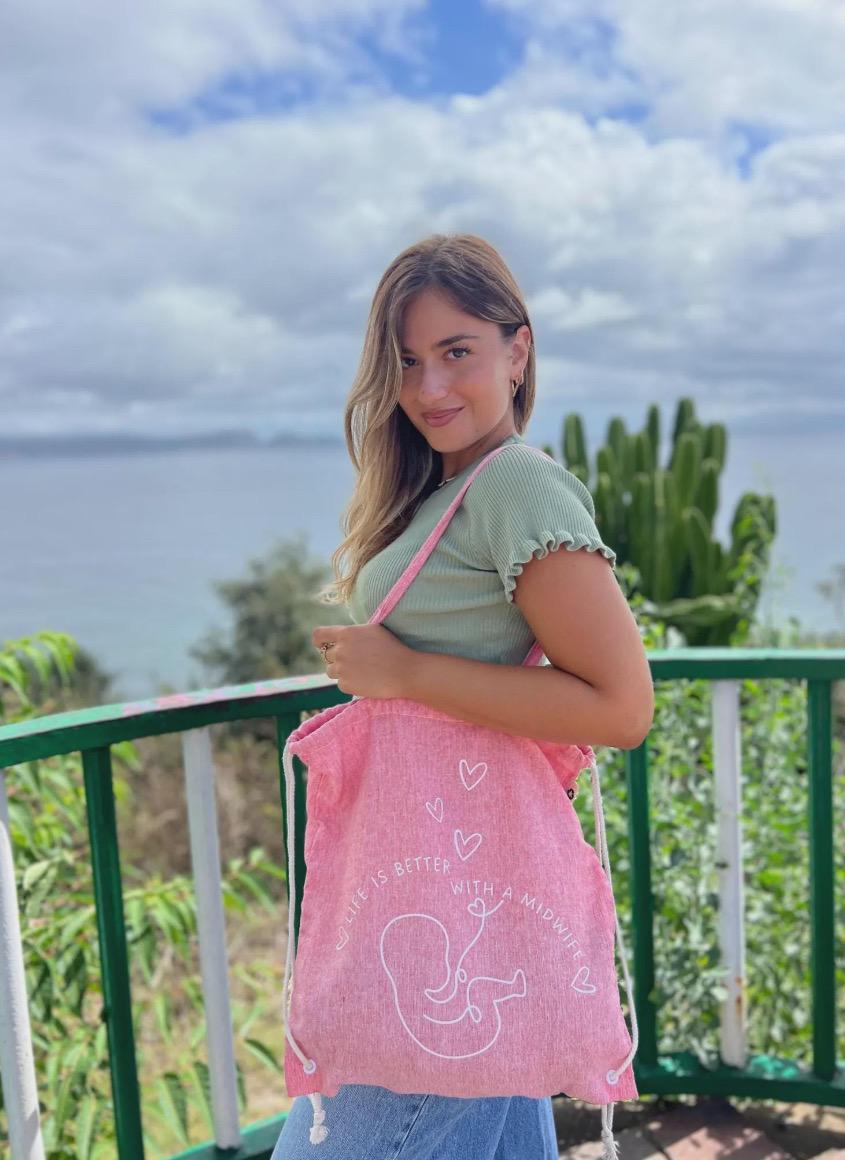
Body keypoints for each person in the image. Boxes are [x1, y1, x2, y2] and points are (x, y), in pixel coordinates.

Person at [271, 233, 654, 1159]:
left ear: (517, 352)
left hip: (444, 902)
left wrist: (403, 676)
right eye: (406, 362)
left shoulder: (515, 482)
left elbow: (620, 707)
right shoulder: (445, 488)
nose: (429, 387)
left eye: (456, 352)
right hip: (442, 886)